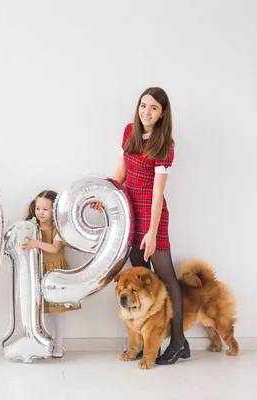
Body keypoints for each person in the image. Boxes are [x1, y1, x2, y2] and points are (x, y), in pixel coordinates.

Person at [91, 87, 189, 365]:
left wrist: (152, 232)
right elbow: (121, 173)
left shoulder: (165, 144)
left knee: (166, 278)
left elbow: (158, 193)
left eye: (153, 108)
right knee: (142, 277)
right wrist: (104, 194)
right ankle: (152, 342)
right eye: (143, 105)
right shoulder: (129, 132)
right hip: (128, 211)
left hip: (151, 213)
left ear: (162, 114)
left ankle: (179, 342)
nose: (146, 112)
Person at [21, 190, 81, 358]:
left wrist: (36, 243)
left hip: (55, 272)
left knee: (58, 310)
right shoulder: (33, 227)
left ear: (54, 210)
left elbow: (54, 248)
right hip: (38, 270)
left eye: (45, 209)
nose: (40, 212)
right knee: (40, 310)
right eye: (38, 208)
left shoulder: (59, 229)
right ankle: (43, 341)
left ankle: (59, 342)